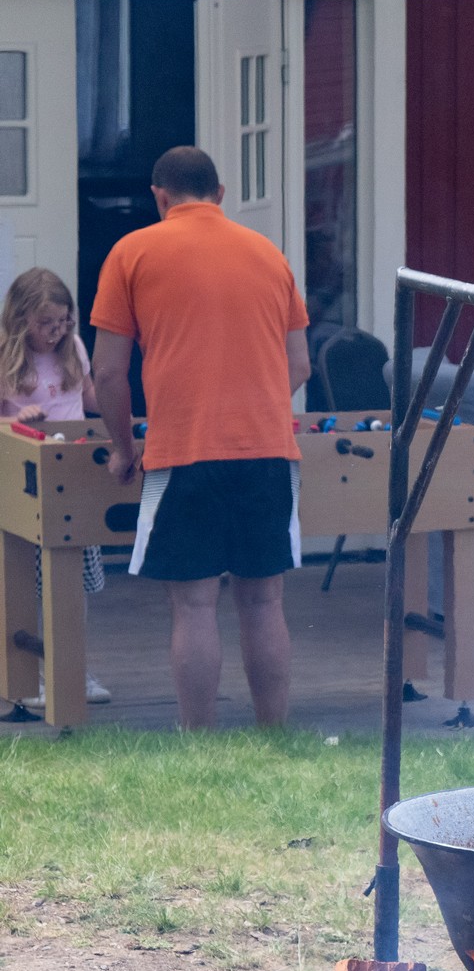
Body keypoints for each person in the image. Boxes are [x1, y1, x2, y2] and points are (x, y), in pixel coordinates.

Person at [90, 146, 310, 729]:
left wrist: (124, 449)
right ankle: (274, 734)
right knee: (263, 601)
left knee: (193, 604)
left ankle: (200, 740)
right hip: (267, 451)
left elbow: (107, 372)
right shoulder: (268, 254)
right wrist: (251, 402)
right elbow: (300, 364)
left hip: (183, 452)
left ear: (159, 197)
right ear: (221, 194)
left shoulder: (132, 251)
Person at [0, 267, 111, 705]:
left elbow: (90, 398)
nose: (57, 331)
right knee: (29, 584)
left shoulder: (74, 347)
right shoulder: (5, 356)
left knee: (72, 583)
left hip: (74, 474)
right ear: (21, 317)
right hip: (27, 481)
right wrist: (16, 419)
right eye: (46, 323)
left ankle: (72, 669)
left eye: (64, 321)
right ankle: (33, 676)